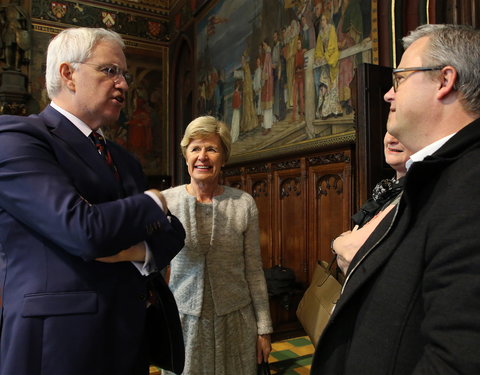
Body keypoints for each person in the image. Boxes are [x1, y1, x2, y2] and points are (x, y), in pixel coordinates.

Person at [0, 27, 186, 375]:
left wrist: (135, 250)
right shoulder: (18, 138)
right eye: (110, 70)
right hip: (58, 345)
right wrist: (154, 201)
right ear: (68, 73)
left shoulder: (124, 159)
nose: (124, 85)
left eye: (125, 75)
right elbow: (83, 230)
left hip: (129, 339)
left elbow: (173, 233)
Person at [311, 24, 480, 374]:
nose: (388, 94)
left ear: (445, 80)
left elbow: (458, 358)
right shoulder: (437, 175)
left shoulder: (470, 183)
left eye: (400, 79)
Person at [162, 116, 273, 374]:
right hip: (183, 323)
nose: (203, 156)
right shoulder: (167, 203)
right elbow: (154, 268)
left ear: (223, 158)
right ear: (186, 156)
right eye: (195, 148)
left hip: (236, 321)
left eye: (211, 149)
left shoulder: (243, 204)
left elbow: (254, 270)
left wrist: (264, 329)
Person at [332, 132, 412, 274]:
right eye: (389, 131)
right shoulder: (387, 188)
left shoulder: (413, 193)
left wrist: (336, 243)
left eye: (402, 132)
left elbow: (351, 251)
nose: (392, 139)